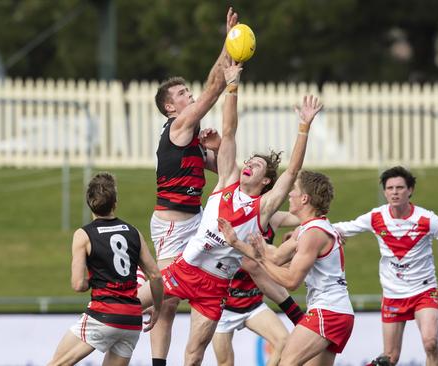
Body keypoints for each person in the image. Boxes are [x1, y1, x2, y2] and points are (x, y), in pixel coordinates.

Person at [139, 59, 323, 365]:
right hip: (186, 269)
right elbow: (230, 130)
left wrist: (303, 127)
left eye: (258, 165)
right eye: (248, 160)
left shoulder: (263, 208)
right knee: (125, 305)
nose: (248, 163)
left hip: (214, 287)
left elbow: (291, 171)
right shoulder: (225, 181)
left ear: (265, 181)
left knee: (195, 352)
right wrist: (232, 86)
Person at [142, 7, 239, 366]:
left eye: (188, 92)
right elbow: (215, 87)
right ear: (171, 107)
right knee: (166, 300)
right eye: (183, 94)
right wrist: (228, 43)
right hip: (171, 226)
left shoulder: (194, 138)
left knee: (209, 288)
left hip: (196, 221)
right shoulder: (179, 126)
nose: (190, 96)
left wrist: (215, 149)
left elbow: (230, 173)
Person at [332, 166, 438, 366]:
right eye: (390, 188)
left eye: (400, 187)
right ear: (384, 192)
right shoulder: (376, 217)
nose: (394, 192)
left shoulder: (427, 219)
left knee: (430, 343)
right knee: (389, 358)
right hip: (393, 294)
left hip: (424, 291)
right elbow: (343, 228)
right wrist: (303, 232)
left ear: (410, 190)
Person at [219, 170, 355, 365]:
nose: (290, 194)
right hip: (336, 312)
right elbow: (275, 257)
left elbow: (291, 281)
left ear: (305, 198)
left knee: (286, 361)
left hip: (329, 312)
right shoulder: (305, 229)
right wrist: (237, 243)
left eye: (294, 191)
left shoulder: (313, 233)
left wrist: (261, 260)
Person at [48, 172, 164, 366]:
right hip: (131, 321)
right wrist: (158, 308)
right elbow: (155, 275)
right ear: (115, 203)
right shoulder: (133, 232)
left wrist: (93, 279)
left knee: (56, 364)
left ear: (88, 202)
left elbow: (78, 284)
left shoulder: (83, 235)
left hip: (102, 316)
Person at [212, 211, 304, 366]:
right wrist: (290, 247)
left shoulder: (273, 218)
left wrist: (300, 235)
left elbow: (307, 216)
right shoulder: (238, 221)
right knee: (225, 363)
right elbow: (264, 257)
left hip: (252, 303)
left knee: (284, 342)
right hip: (224, 308)